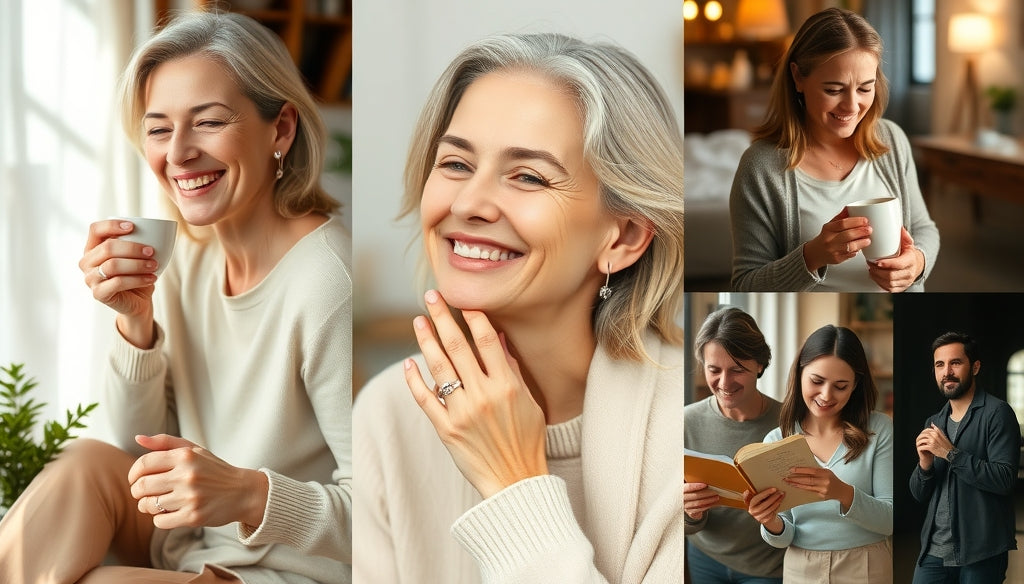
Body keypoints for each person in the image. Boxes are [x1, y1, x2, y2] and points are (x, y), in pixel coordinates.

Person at [0, 12, 351, 584]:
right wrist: (136, 326)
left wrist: (247, 493)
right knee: (85, 461)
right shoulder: (188, 255)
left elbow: (384, 514)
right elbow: (132, 452)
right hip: (185, 544)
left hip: (286, 573)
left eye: (208, 122)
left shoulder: (328, 281)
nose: (179, 152)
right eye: (159, 128)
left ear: (280, 130)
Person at [352, 33, 684, 582]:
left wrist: (513, 484)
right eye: (456, 164)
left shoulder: (688, 427)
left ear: (623, 237)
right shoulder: (387, 415)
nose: (467, 204)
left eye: (527, 176)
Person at [729, 7, 938, 292]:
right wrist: (812, 255)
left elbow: (924, 228)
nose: (852, 106)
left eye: (865, 88)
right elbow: (745, 284)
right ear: (798, 78)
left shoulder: (892, 140)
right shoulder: (761, 167)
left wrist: (918, 262)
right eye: (834, 90)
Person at [746, 325, 893, 583]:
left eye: (841, 386)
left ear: (855, 385)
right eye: (817, 381)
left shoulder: (879, 429)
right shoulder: (776, 441)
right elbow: (785, 535)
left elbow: (891, 521)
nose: (826, 395)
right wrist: (769, 521)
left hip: (867, 565)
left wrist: (842, 492)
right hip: (801, 568)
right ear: (800, 374)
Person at [684, 307, 785, 583]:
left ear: (760, 365)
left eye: (737, 370)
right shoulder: (685, 422)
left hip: (768, 566)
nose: (724, 383)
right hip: (706, 558)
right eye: (713, 370)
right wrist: (689, 512)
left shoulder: (790, 423)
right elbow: (678, 520)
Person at [910, 332, 1020, 583]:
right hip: (933, 552)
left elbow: (1004, 479)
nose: (946, 371)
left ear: (976, 367)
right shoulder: (934, 422)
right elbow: (918, 494)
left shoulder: (998, 413)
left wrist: (950, 453)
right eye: (940, 364)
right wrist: (925, 465)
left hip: (981, 553)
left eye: (955, 363)